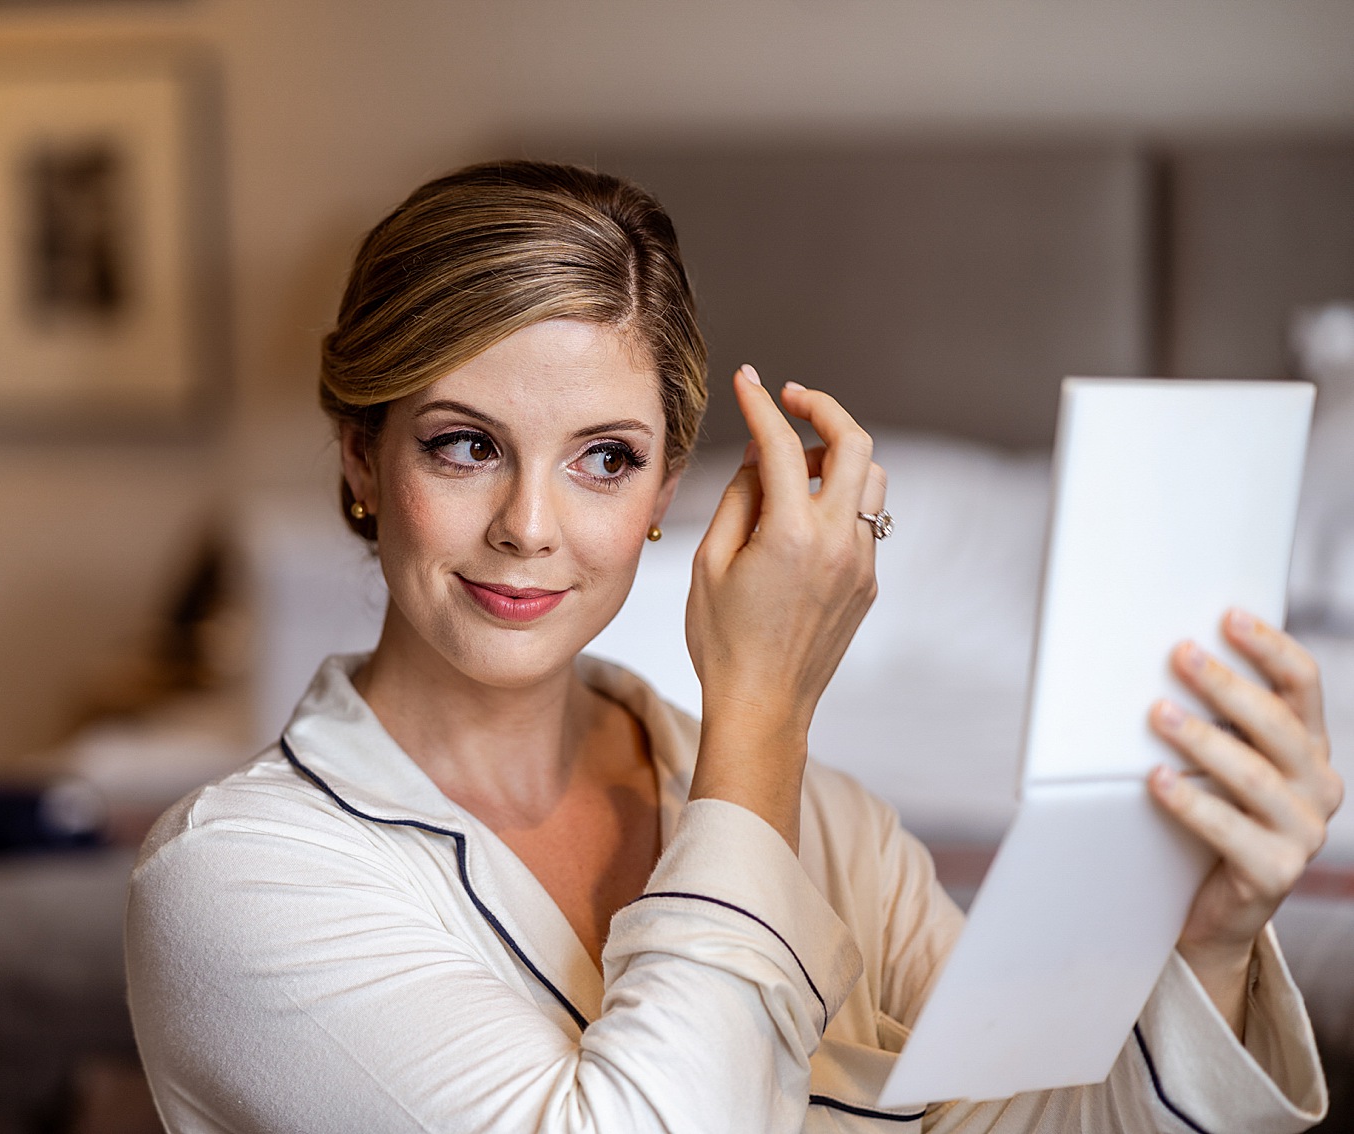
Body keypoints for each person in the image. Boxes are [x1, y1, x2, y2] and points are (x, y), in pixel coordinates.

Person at [125, 160, 1338, 1132]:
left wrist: (1209, 940)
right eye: (462, 443)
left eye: (605, 458)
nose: (529, 528)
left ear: (663, 492)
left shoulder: (833, 824)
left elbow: (1025, 1120)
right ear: (359, 457)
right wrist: (760, 709)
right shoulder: (234, 884)